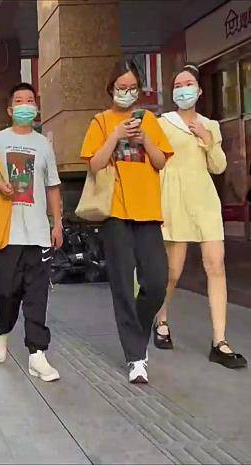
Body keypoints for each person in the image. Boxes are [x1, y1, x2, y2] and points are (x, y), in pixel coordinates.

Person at [80, 59, 173, 384]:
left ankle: (137, 332)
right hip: (115, 213)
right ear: (111, 88)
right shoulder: (101, 121)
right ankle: (136, 357)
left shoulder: (150, 120)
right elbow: (94, 165)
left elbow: (160, 162)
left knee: (157, 282)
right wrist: (116, 135)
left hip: (147, 211)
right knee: (121, 284)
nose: (127, 92)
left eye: (132, 87)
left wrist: (145, 139)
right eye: (122, 87)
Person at [155, 63, 247, 368]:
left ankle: (219, 341)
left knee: (216, 264)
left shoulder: (211, 125)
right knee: (173, 270)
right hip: (173, 199)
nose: (183, 90)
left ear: (199, 90)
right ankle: (161, 318)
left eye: (188, 84)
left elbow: (218, 166)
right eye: (178, 85)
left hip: (205, 200)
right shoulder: (163, 123)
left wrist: (207, 139)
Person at [0, 82, 63, 382]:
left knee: (37, 295)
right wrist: (0, 186)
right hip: (8, 232)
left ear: (36, 108)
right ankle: (2, 327)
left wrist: (57, 223)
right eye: (20, 101)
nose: (26, 105)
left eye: (30, 100)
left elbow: (53, 186)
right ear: (10, 109)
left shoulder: (44, 145)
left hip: (38, 233)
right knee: (6, 291)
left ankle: (37, 354)